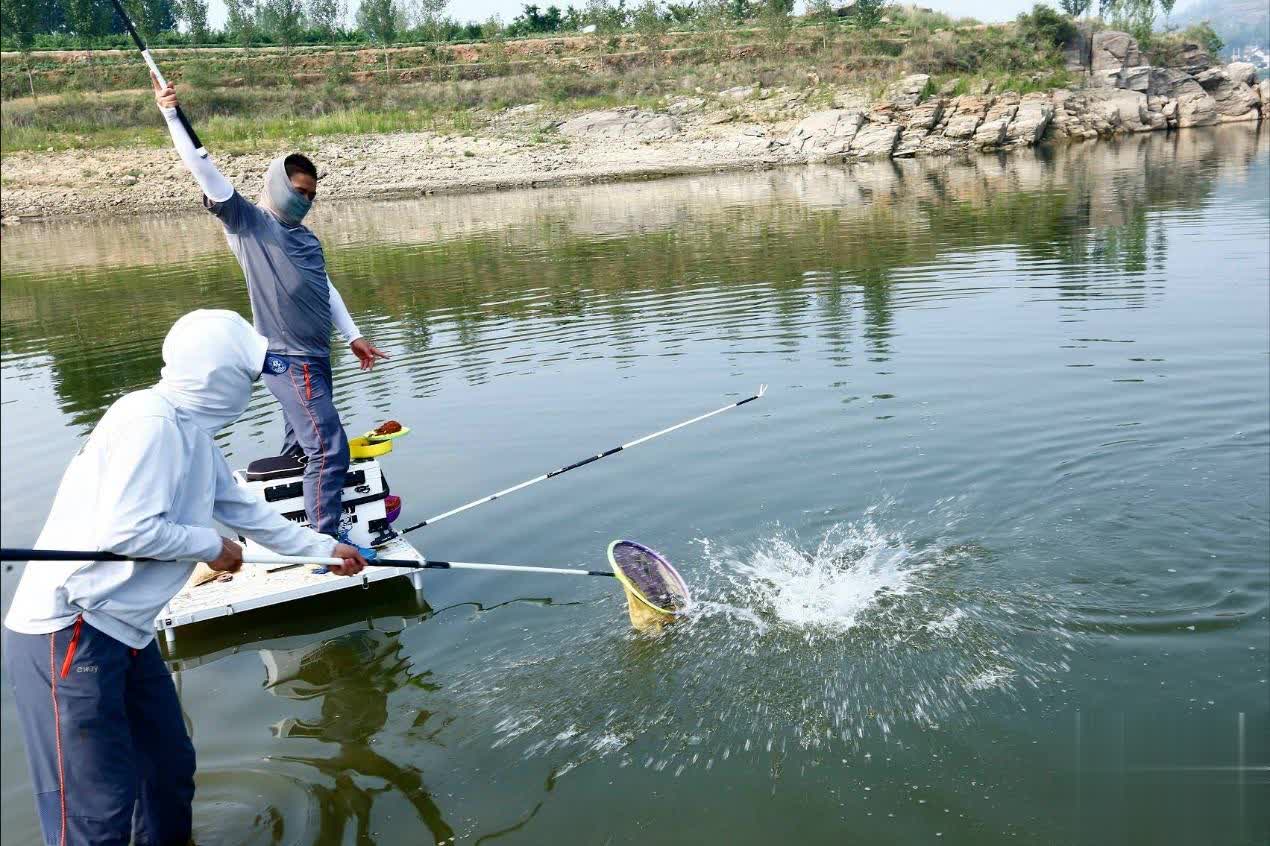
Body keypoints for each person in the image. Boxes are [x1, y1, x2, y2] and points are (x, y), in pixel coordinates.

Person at [3, 310, 369, 846]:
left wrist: (326, 550)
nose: (254, 386)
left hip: (124, 629)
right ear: (218, 374)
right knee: (95, 806)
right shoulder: (149, 424)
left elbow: (243, 510)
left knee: (167, 768)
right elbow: (128, 531)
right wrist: (210, 547)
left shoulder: (191, 434)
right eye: (248, 374)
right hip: (71, 627)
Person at [154, 74, 389, 557]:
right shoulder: (250, 224)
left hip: (317, 357)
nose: (306, 200)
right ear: (280, 185)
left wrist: (353, 336)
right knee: (328, 446)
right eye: (300, 191)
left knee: (302, 448)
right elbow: (204, 170)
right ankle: (325, 544)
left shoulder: (306, 237)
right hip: (287, 359)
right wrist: (172, 114)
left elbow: (324, 287)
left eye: (312, 195)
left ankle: (284, 526)